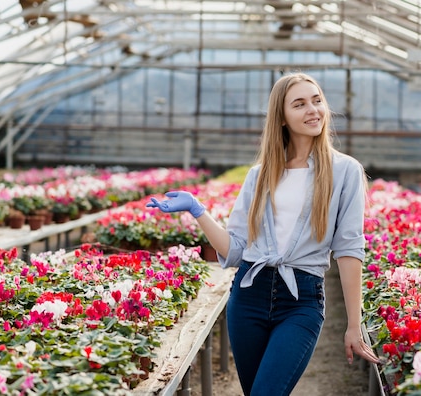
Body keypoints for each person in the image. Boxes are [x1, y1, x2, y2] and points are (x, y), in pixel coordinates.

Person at [147, 72, 380, 395]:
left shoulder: (344, 171)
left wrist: (354, 325)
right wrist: (198, 211)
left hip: (301, 301)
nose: (312, 110)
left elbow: (349, 248)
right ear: (282, 118)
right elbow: (235, 250)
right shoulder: (261, 175)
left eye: (317, 101)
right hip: (248, 298)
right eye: (299, 104)